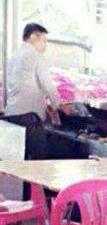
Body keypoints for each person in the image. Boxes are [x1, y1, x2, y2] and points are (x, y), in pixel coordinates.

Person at [4, 22, 71, 160]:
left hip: (12, 115)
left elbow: (22, 87)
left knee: (16, 161)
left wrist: (45, 105)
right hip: (29, 118)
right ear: (33, 37)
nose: (45, 46)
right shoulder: (35, 56)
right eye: (44, 41)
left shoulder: (14, 56)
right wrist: (59, 105)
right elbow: (47, 84)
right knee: (39, 160)